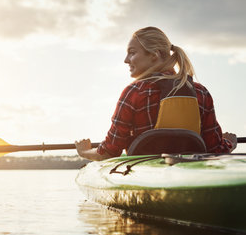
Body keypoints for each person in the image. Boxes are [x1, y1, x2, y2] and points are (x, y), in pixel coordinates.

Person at [75, 26, 237, 161]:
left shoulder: (134, 92)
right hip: (190, 172)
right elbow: (216, 150)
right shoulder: (200, 92)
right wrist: (229, 143)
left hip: (143, 176)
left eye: (132, 52)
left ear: (154, 55)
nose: (126, 59)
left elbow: (110, 151)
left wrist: (84, 152)